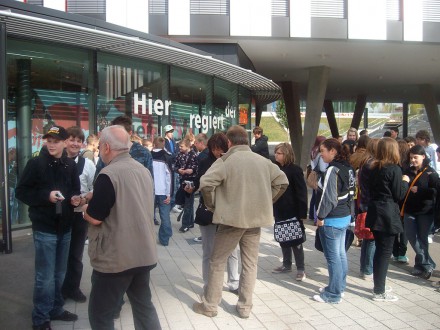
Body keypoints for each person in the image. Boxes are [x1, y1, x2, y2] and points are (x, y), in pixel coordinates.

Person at [193, 125, 288, 319]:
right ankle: (245, 307)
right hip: (254, 221)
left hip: (230, 221)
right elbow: (282, 181)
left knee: (217, 262)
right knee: (250, 264)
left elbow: (205, 183)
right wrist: (266, 201)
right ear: (247, 140)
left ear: (229, 142)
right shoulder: (262, 160)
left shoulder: (226, 160)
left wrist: (212, 205)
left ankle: (210, 305)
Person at [83, 125, 161, 329]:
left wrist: (84, 209)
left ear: (107, 147)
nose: (99, 150)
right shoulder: (142, 169)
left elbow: (95, 218)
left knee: (100, 314)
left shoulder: (108, 174)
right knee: (144, 307)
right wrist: (96, 195)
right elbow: (130, 200)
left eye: (100, 146)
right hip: (143, 253)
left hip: (116, 258)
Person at [15, 125, 81, 330]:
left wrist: (75, 199)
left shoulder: (70, 165)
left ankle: (56, 309)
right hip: (45, 228)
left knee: (59, 274)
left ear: (63, 143)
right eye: (48, 140)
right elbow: (21, 192)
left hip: (65, 227)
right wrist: (46, 196)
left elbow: (74, 191)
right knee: (44, 277)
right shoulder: (35, 164)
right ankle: (41, 318)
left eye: (55, 141)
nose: (51, 144)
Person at [193, 133, 240, 295]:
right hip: (208, 212)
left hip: (228, 212)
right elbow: (199, 182)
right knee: (209, 251)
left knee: (232, 250)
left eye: (220, 149)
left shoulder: (233, 162)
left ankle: (234, 282)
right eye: (213, 149)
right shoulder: (205, 162)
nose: (216, 152)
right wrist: (191, 188)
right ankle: (208, 284)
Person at [365, 137, 409, 302]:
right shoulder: (394, 169)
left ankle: (379, 286)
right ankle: (379, 291)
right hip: (387, 213)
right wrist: (405, 182)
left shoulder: (372, 167)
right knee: (384, 252)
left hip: (375, 210)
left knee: (380, 251)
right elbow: (398, 194)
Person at [313, 138, 355, 304]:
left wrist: (321, 217)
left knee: (333, 258)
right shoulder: (348, 167)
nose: (320, 154)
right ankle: (339, 287)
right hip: (344, 216)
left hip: (333, 219)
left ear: (332, 151)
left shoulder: (333, 169)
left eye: (322, 151)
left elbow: (329, 198)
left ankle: (333, 294)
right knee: (340, 255)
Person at [62, 126, 96, 303]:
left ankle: (73, 288)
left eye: (78, 140)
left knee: (75, 254)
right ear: (65, 141)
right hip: (58, 215)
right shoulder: (55, 160)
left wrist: (84, 201)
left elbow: (93, 189)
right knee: (60, 254)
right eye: (71, 139)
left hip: (77, 215)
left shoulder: (87, 164)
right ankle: (59, 289)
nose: (75, 143)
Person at [272, 143, 308, 281]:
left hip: (292, 210)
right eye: (276, 152)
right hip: (279, 209)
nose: (276, 155)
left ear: (287, 154)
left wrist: (302, 213)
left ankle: (301, 268)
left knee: (295, 239)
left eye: (279, 153)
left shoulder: (295, 170)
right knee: (283, 237)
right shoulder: (276, 169)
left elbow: (301, 192)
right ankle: (286, 264)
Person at [402, 145, 438, 279]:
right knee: (411, 236)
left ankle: (420, 265)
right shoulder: (407, 171)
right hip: (409, 209)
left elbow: (435, 191)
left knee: (422, 239)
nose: (413, 160)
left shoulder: (431, 173)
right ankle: (428, 263)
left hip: (425, 211)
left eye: (415, 157)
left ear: (423, 156)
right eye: (411, 157)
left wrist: (421, 191)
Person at [358, 138, 380, 280]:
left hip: (365, 202)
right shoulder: (373, 164)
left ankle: (364, 268)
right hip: (371, 203)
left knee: (368, 238)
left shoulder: (366, 162)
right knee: (371, 238)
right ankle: (367, 269)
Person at [151, 136, 173, 246]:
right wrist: (169, 194)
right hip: (163, 191)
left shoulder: (148, 156)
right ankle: (164, 240)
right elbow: (169, 177)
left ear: (153, 143)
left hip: (150, 191)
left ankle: (147, 239)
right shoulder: (167, 157)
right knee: (165, 218)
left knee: (148, 217)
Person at [174, 138, 198, 232]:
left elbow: (198, 167)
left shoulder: (194, 155)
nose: (179, 148)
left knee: (188, 203)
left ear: (188, 146)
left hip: (191, 180)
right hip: (182, 180)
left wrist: (192, 170)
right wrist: (178, 170)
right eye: (179, 146)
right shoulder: (179, 155)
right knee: (188, 202)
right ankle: (190, 222)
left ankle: (185, 224)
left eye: (181, 146)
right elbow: (174, 165)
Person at [308, 136, 327, 222]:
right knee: (318, 197)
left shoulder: (313, 150)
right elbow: (323, 168)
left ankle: (312, 215)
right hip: (320, 177)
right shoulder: (320, 154)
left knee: (314, 197)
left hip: (314, 175)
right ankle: (316, 217)